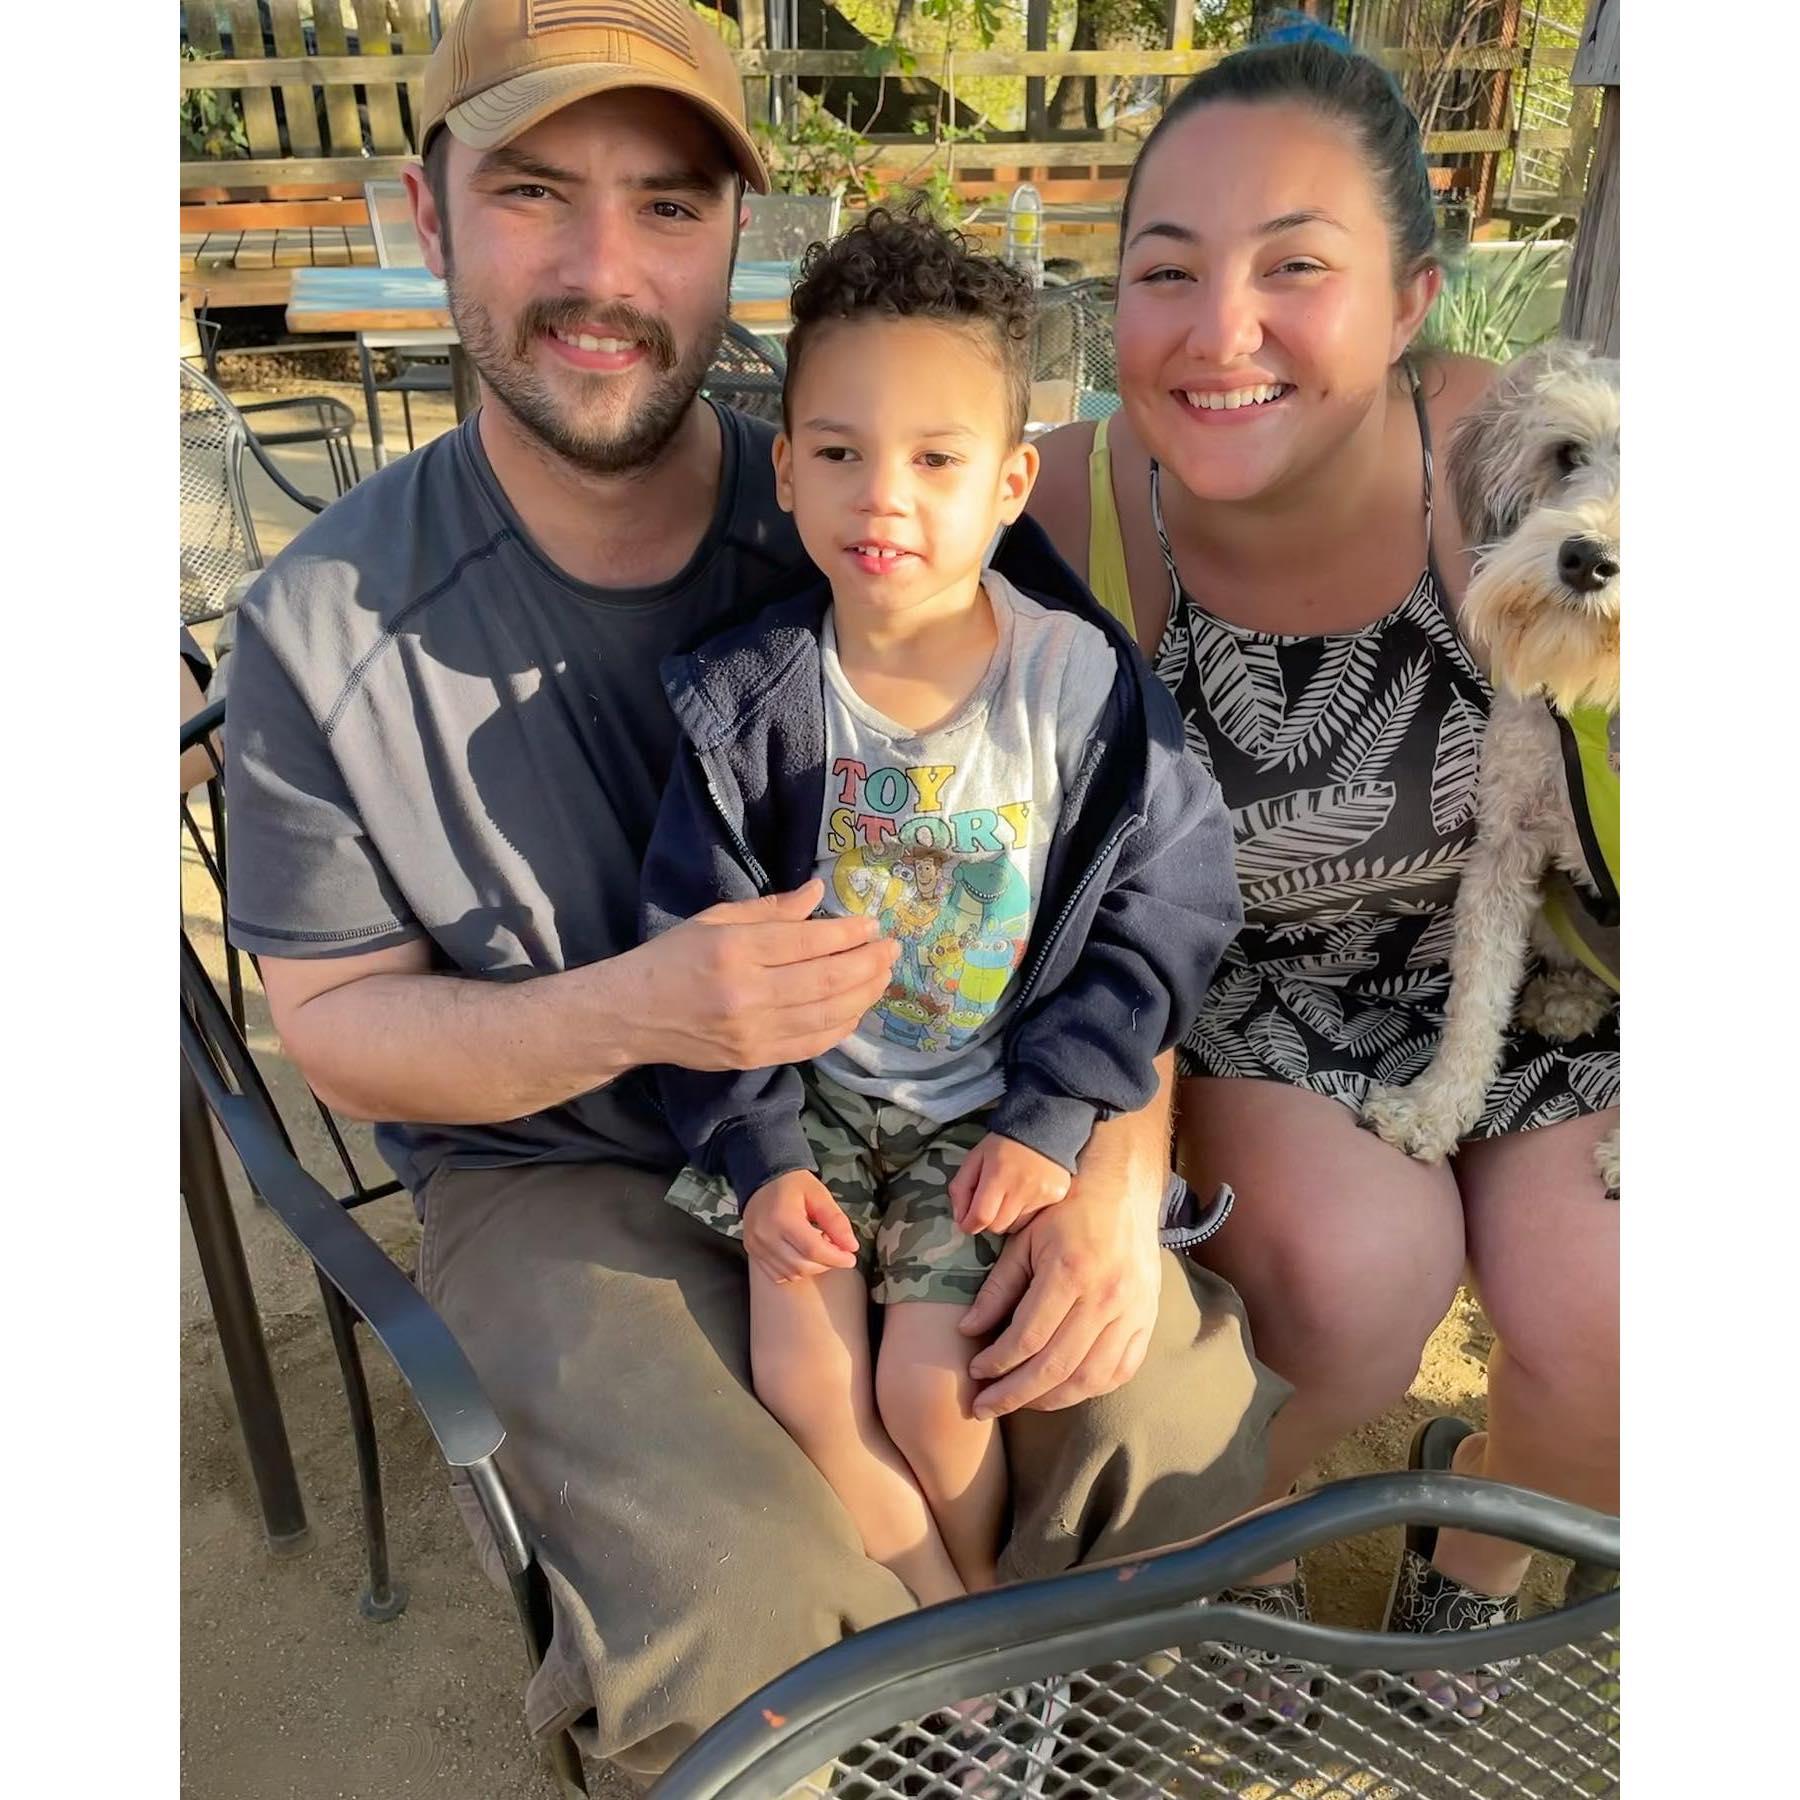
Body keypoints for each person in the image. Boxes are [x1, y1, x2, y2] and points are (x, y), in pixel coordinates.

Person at [220, 1, 1286, 1776]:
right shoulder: (319, 629)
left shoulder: (890, 489)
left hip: (947, 1107)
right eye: (534, 192)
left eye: (667, 204)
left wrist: (1117, 1156)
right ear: (428, 214)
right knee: (746, 1611)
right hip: (559, 1171)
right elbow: (337, 1034)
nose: (601, 268)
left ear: (735, 235)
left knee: (1157, 1423)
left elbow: (1106, 853)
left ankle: (1040, 1727)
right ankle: (939, 1721)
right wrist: (645, 1006)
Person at [1020, 27, 1618, 1701]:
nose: (1223, 332)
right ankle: (1244, 1533)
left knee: (1627, 1316)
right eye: (1169, 270)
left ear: (1413, 299)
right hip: (1247, 994)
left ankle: (1479, 1544)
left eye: (1296, 266)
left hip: (1550, 964)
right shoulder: (1057, 505)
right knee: (1356, 1279)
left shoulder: (1520, 459)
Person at [639, 207, 1244, 1615]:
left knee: (932, 1384)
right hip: (811, 1097)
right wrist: (756, 1152)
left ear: (1011, 480)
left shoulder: (1074, 688)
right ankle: (946, 1625)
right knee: (807, 1376)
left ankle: (978, 1616)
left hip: (987, 1103)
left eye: (935, 459)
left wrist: (1055, 1115)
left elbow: (1169, 905)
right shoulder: (750, 704)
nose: (883, 500)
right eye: (839, 454)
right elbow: (697, 944)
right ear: (785, 470)